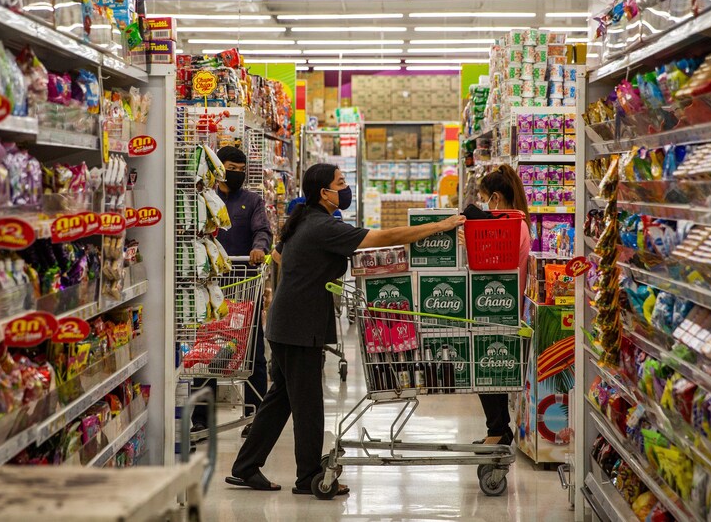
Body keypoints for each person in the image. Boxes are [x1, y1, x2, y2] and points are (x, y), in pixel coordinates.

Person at [225, 163, 465, 495]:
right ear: (324, 192)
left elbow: (279, 257)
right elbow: (384, 237)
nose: (345, 187)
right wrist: (439, 226)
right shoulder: (322, 227)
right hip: (298, 327)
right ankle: (308, 477)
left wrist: (314, 275)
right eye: (340, 183)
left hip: (286, 321)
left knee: (280, 398)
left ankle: (245, 467)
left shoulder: (305, 220)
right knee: (307, 404)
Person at [191, 146, 272, 439]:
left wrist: (259, 248)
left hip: (244, 286)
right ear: (218, 169)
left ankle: (255, 415)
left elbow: (262, 230)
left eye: (241, 168)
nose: (237, 173)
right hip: (210, 287)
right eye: (231, 167)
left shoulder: (252, 201)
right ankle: (201, 418)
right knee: (207, 351)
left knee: (253, 352)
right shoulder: (203, 200)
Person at [462, 165, 531, 447]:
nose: (482, 204)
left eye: (484, 198)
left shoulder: (514, 225)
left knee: (487, 369)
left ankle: (497, 430)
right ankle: (499, 429)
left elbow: (495, 260)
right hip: (500, 302)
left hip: (501, 304)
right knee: (492, 368)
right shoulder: (515, 221)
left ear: (496, 197)